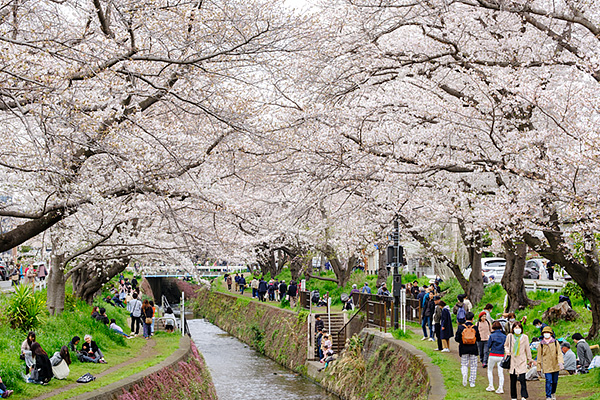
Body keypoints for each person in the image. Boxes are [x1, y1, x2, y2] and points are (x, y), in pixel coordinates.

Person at [504, 322, 533, 400]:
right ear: (513, 329)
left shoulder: (525, 337)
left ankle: (524, 395)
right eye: (515, 327)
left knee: (522, 379)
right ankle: (513, 396)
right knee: (512, 379)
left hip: (521, 360)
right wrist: (507, 352)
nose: (517, 329)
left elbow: (527, 349)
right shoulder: (510, 336)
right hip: (512, 360)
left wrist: (529, 359)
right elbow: (506, 345)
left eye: (519, 327)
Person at [455, 311, 480, 387]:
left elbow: (456, 338)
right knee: (473, 365)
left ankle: (464, 375)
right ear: (472, 319)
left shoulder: (461, 327)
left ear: (465, 318)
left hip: (463, 348)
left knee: (464, 364)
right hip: (473, 348)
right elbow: (478, 338)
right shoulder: (475, 327)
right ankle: (472, 381)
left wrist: (462, 341)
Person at [538, 326, 563, 400]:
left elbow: (559, 353)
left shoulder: (555, 342)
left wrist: (561, 362)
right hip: (546, 365)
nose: (546, 334)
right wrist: (539, 368)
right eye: (545, 333)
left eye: (548, 332)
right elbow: (539, 356)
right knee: (548, 380)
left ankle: (553, 393)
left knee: (555, 381)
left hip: (555, 365)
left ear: (551, 334)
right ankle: (548, 396)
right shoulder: (541, 344)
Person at [486, 321, 507, 393]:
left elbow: (488, 346)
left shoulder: (492, 336)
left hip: (492, 354)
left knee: (489, 370)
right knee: (500, 372)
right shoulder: (504, 336)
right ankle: (500, 388)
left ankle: (491, 386)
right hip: (501, 355)